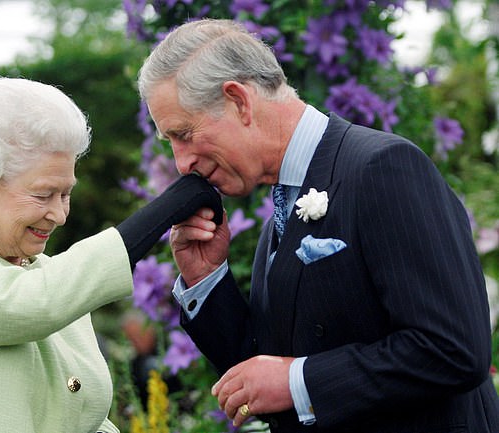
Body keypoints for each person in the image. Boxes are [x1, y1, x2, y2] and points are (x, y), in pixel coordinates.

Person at [137, 19, 499, 433]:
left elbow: (453, 349)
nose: (183, 164)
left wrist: (299, 383)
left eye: (183, 134)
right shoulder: (284, 202)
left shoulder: (383, 168)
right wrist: (205, 278)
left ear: (239, 101)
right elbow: (261, 374)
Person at [0, 77, 222, 433]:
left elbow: (84, 418)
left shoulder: (57, 279)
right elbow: (28, 303)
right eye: (44, 195)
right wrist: (165, 210)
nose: (59, 215)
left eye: (65, 194)